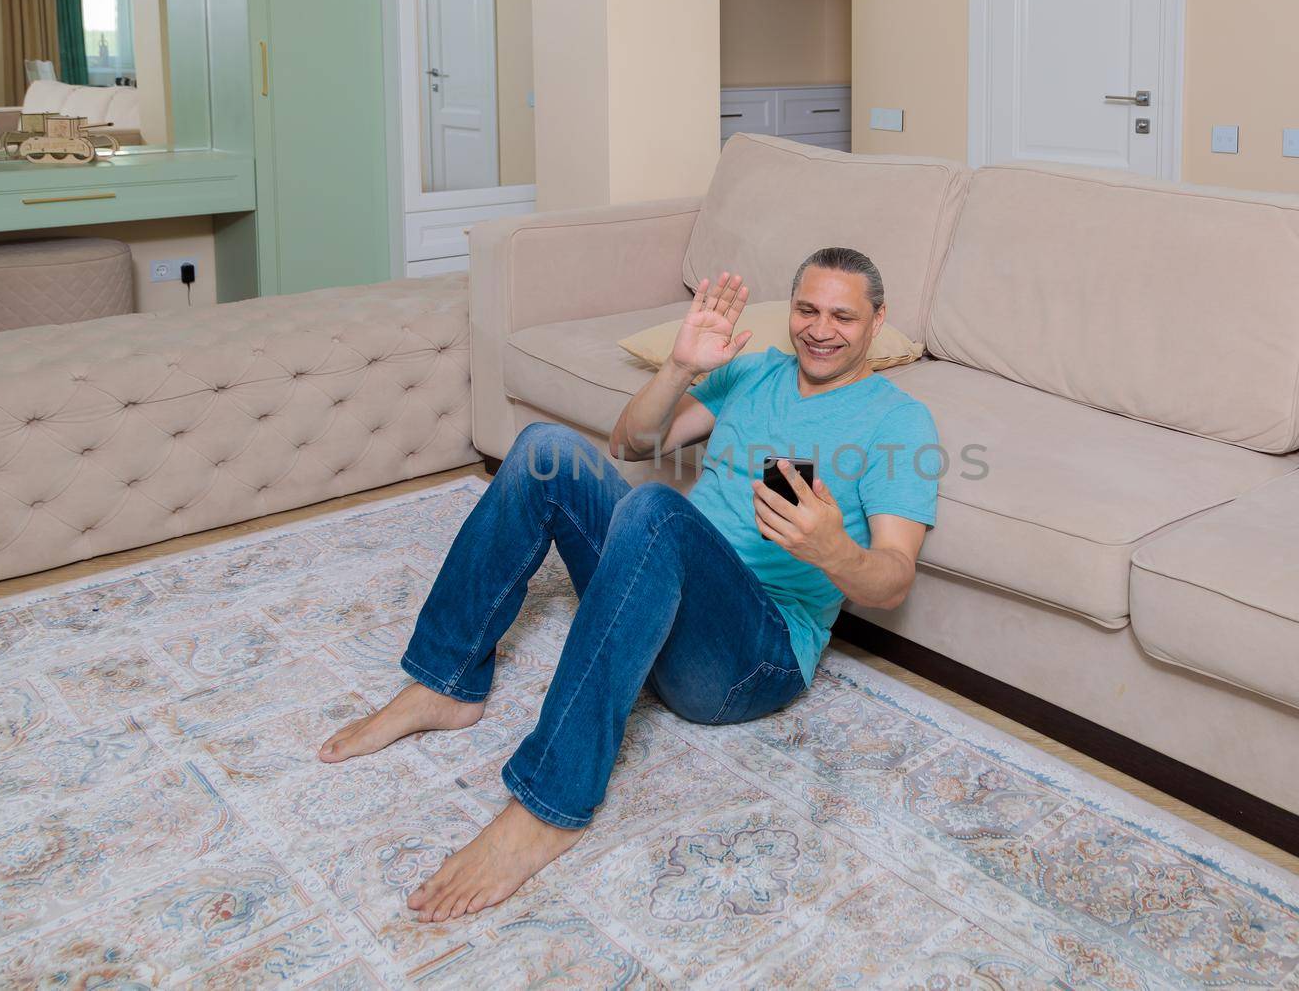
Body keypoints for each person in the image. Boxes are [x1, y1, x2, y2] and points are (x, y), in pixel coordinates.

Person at [318, 246, 939, 922]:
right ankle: (445, 682)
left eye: (843, 316)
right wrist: (680, 366)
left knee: (656, 510)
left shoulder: (897, 421)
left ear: (878, 321)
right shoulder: (755, 371)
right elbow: (631, 443)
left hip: (754, 656)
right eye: (807, 310)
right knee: (545, 450)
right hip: (662, 589)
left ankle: (549, 806)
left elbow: (892, 580)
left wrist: (833, 549)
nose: (821, 329)